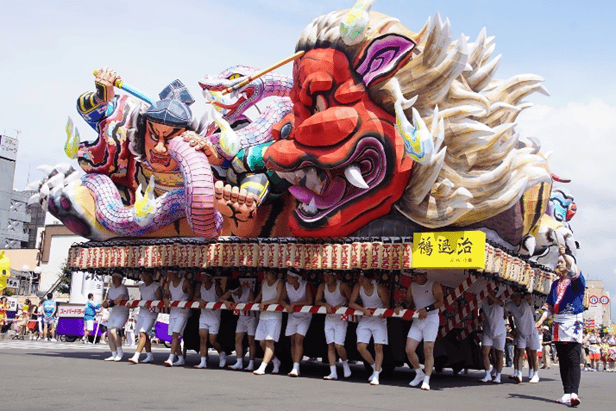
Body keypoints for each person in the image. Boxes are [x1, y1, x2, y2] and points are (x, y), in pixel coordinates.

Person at [536, 245, 585, 406]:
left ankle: (574, 393)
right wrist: (541, 320)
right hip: (558, 322)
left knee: (573, 358)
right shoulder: (555, 284)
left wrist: (567, 254)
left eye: (561, 262)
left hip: (573, 322)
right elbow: (549, 306)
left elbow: (573, 267)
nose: (559, 264)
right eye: (558, 262)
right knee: (563, 359)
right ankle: (566, 392)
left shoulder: (577, 282)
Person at [395, 270, 444, 391]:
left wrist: (426, 309)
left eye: (418, 275)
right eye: (414, 275)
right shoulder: (412, 286)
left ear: (425, 275)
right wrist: (401, 305)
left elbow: (440, 302)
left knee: (428, 349)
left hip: (431, 319)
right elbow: (408, 301)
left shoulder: (434, 284)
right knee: (409, 349)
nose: (415, 277)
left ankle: (427, 379)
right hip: (418, 319)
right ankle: (419, 373)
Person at [349, 270, 390, 386]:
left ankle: (376, 375)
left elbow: (386, 304)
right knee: (361, 347)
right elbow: (351, 303)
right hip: (366, 318)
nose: (361, 280)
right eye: (360, 278)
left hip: (378, 320)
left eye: (363, 278)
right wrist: (363, 310)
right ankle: (374, 366)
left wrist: (383, 312)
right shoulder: (358, 287)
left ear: (370, 279)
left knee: (378, 347)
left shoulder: (379, 288)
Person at [315, 271, 352, 380]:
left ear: (335, 276)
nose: (326, 278)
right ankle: (333, 372)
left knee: (338, 345)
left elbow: (351, 300)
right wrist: (325, 304)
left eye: (328, 276)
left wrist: (343, 305)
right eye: (324, 275)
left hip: (341, 318)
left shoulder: (342, 286)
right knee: (330, 345)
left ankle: (345, 363)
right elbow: (317, 301)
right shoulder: (322, 286)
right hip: (329, 318)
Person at [219, 277, 258, 371]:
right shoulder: (232, 292)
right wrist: (226, 302)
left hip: (252, 317)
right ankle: (239, 362)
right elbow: (221, 298)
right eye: (232, 292)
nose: (234, 294)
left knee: (251, 341)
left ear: (240, 288)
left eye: (235, 292)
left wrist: (250, 303)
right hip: (242, 317)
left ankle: (251, 363)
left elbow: (253, 302)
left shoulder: (249, 291)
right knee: (238, 339)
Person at [280, 268, 313, 377]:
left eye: (289, 277)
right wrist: (287, 305)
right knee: (293, 341)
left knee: (299, 339)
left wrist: (295, 304)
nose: (287, 278)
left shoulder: (305, 285)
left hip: (304, 316)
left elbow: (309, 301)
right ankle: (294, 366)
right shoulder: (286, 285)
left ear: (295, 278)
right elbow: (281, 299)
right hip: (292, 315)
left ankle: (296, 366)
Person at [253, 270, 283, 375]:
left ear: (274, 273)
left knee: (270, 341)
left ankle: (262, 367)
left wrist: (264, 303)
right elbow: (261, 294)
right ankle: (275, 360)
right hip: (263, 316)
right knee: (262, 342)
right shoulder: (263, 282)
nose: (265, 275)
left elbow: (278, 299)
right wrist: (254, 302)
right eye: (264, 273)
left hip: (274, 316)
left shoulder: (279, 283)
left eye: (267, 273)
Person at [193, 271, 226, 369]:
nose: (202, 278)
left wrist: (216, 306)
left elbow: (222, 299)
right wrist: (199, 300)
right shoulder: (200, 287)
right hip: (204, 316)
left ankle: (221, 353)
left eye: (204, 276)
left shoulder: (216, 287)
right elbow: (194, 297)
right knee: (202, 339)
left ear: (210, 278)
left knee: (212, 340)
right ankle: (203, 361)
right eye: (201, 276)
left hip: (214, 317)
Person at [505, 293, 541, 383]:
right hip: (521, 333)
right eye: (514, 296)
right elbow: (506, 314)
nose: (516, 298)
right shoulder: (510, 305)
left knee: (533, 354)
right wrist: (512, 328)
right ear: (511, 298)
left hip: (531, 333)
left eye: (517, 296)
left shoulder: (526, 302)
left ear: (521, 297)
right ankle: (519, 374)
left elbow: (530, 295)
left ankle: (535, 374)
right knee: (520, 353)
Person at [129, 271, 163, 364]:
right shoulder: (141, 287)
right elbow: (141, 299)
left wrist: (151, 306)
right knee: (144, 334)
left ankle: (136, 355)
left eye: (145, 274)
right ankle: (149, 355)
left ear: (151, 275)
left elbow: (160, 301)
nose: (143, 276)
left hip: (151, 312)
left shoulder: (156, 286)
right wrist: (134, 305)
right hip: (142, 311)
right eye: (142, 275)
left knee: (143, 332)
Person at [164, 270, 193, 367]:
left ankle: (171, 358)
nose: (168, 276)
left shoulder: (185, 282)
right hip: (174, 311)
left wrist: (187, 303)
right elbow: (167, 294)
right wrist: (166, 298)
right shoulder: (169, 283)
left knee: (176, 334)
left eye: (170, 274)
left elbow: (191, 295)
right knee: (173, 336)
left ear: (176, 274)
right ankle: (180, 358)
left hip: (183, 312)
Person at [477, 289, 506, 383]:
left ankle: (498, 376)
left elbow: (499, 302)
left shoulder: (500, 302)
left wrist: (489, 295)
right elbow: (476, 305)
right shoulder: (483, 303)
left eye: (493, 291)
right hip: (488, 331)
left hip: (500, 332)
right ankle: (487, 374)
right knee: (485, 352)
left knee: (499, 354)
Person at [102, 272, 129, 361]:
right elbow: (107, 302)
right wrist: (105, 304)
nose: (113, 279)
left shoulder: (123, 288)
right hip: (113, 312)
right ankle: (113, 354)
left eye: (116, 277)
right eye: (113, 277)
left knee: (114, 331)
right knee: (109, 334)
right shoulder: (110, 289)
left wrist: (109, 303)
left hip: (122, 312)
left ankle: (120, 351)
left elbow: (118, 300)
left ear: (120, 279)